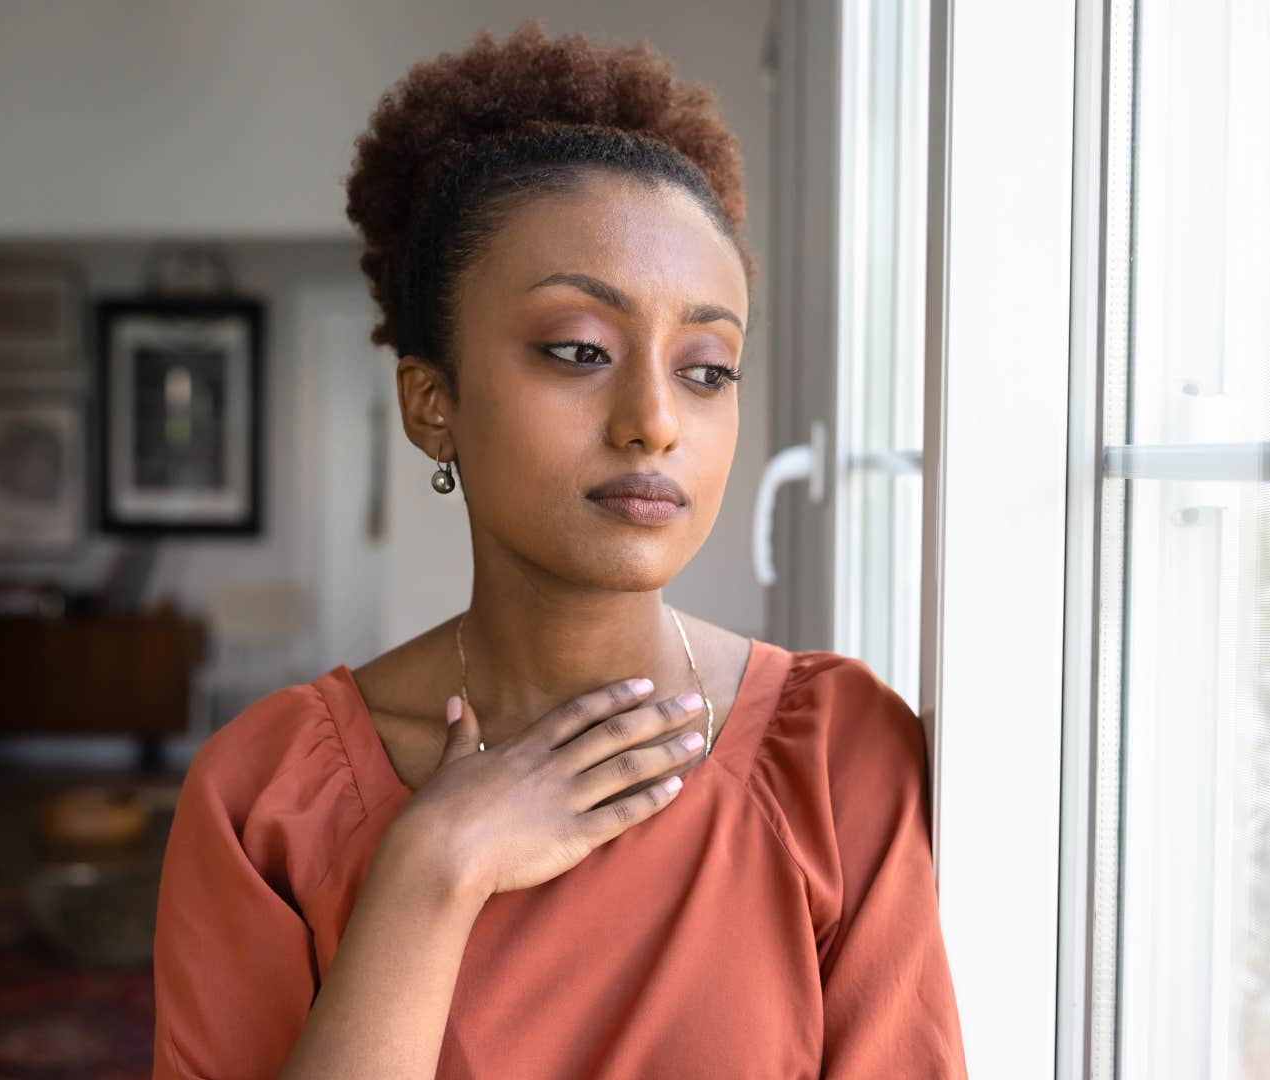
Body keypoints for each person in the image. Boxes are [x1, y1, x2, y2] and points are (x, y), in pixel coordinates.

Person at [153, 22, 967, 1079]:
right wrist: (432, 871)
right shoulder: (267, 800)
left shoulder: (836, 757)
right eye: (580, 350)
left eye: (707, 369)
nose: (655, 422)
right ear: (431, 403)